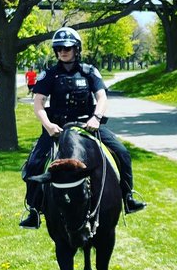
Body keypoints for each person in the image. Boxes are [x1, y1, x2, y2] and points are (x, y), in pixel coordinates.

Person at [19, 27, 147, 228]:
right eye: (59, 48)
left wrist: (96, 118)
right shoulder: (49, 75)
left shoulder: (89, 71)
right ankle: (33, 210)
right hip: (57, 129)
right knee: (34, 164)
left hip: (88, 126)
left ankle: (128, 197)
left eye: (67, 47)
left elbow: (102, 97)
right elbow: (38, 104)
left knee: (122, 153)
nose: (63, 51)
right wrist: (49, 125)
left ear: (76, 49)